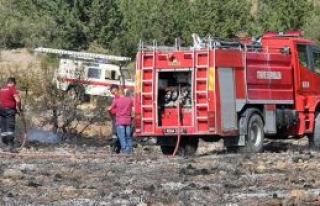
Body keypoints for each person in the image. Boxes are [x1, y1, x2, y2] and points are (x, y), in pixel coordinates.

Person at [108, 84, 133, 154]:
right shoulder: (130, 100)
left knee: (122, 137)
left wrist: (112, 115)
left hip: (119, 121)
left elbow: (110, 109)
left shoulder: (116, 100)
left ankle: (125, 150)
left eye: (113, 92)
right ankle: (131, 151)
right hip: (128, 121)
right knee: (128, 137)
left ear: (118, 91)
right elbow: (133, 109)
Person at [0, 77, 22, 150]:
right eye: (14, 84)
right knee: (10, 127)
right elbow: (18, 100)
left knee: (3, 127)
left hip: (1, 110)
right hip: (9, 110)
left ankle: (5, 144)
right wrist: (19, 109)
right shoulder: (12, 89)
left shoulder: (2, 89)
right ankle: (10, 146)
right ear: (13, 83)